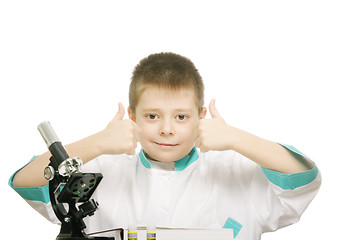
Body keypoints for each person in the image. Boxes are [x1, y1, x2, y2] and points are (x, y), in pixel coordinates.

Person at [9, 52, 321, 239]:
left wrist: (236, 138)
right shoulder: (100, 173)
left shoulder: (237, 173)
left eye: (182, 116)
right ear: (132, 117)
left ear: (200, 117)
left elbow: (302, 177)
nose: (167, 129)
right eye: (152, 116)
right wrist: (99, 142)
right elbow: (24, 181)